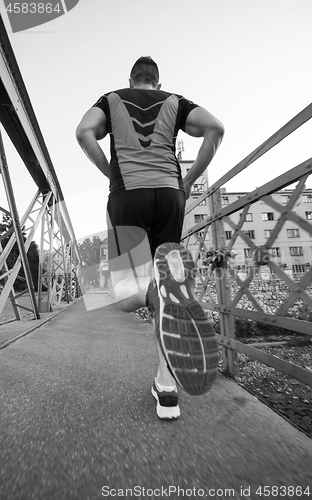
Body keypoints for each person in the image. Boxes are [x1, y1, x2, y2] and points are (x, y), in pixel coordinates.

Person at [76, 56, 224, 420]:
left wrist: (111, 172)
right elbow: (215, 129)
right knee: (166, 286)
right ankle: (167, 388)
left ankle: (151, 290)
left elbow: (83, 133)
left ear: (131, 79)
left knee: (127, 292)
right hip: (170, 197)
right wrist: (187, 182)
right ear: (157, 82)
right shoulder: (175, 102)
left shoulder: (111, 99)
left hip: (128, 195)